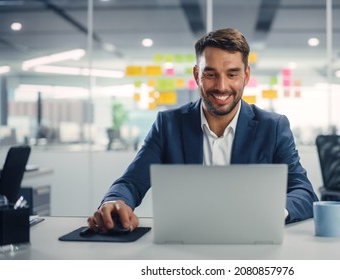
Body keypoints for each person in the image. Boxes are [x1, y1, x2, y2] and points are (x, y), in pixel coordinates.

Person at [88, 28, 318, 233]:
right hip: (184, 243)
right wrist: (115, 201)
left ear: (246, 76)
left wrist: (274, 213)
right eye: (210, 74)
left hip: (251, 241)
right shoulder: (168, 124)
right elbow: (131, 182)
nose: (221, 86)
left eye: (232, 74)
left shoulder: (273, 126)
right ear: (197, 75)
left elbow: (304, 193)